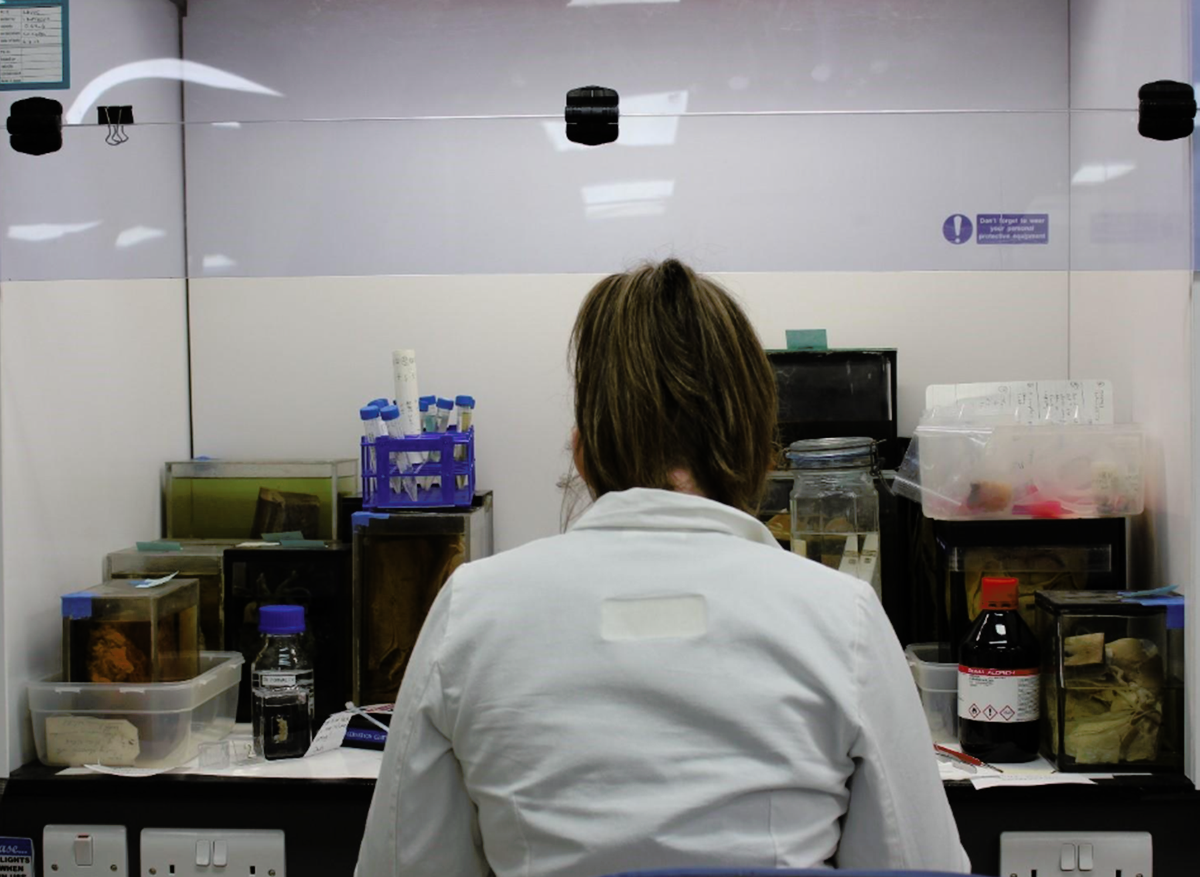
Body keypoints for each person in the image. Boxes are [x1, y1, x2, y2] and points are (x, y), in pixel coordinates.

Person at [356, 259, 970, 876]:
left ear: (582, 453)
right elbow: (920, 868)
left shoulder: (472, 609)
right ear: (760, 454)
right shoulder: (844, 617)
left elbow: (405, 865)